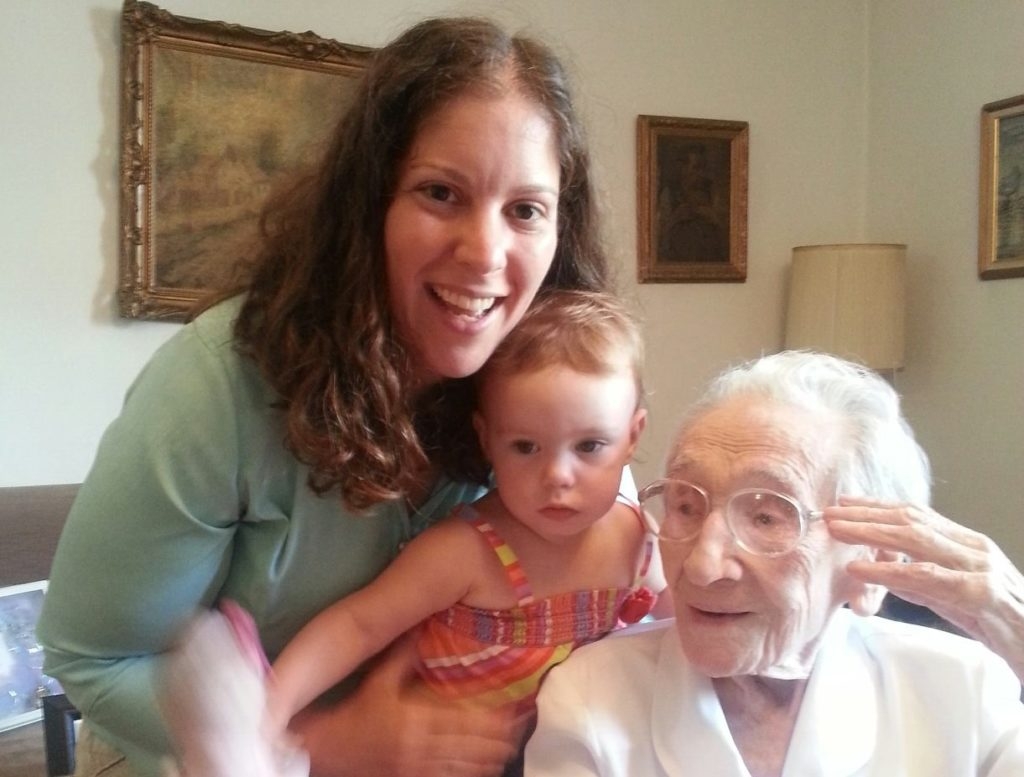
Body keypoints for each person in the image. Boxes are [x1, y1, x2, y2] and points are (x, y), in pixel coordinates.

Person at [37, 16, 616, 777]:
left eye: (525, 210)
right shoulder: (216, 385)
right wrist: (323, 743)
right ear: (366, 205)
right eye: (441, 193)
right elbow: (95, 657)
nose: (485, 254)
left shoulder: (554, 393)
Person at [159, 289, 662, 777]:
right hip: (431, 758)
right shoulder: (468, 550)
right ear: (487, 439)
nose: (558, 475)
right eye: (526, 447)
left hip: (556, 751)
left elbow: (669, 630)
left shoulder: (638, 540)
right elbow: (359, 625)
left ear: (633, 435)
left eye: (590, 446)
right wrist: (269, 714)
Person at [525, 350, 1024, 776]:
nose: (701, 567)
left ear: (873, 555)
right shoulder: (594, 694)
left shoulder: (965, 689)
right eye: (685, 505)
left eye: (766, 517)